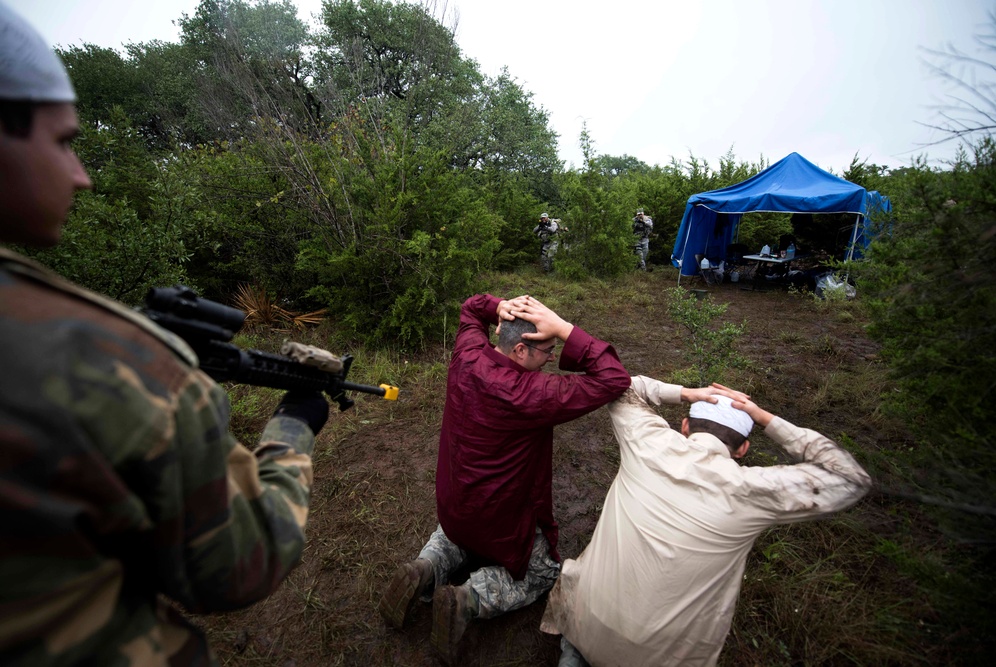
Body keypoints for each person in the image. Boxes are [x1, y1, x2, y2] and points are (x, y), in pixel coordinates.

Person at [0, 5, 330, 664]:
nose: (81, 174)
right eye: (64, 142)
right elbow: (241, 561)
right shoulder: (116, 366)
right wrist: (295, 423)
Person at [541, 376, 872, 666]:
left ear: (684, 426)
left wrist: (686, 393)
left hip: (590, 620)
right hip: (660, 657)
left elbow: (620, 384)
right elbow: (851, 479)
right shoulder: (751, 490)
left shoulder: (649, 444)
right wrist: (765, 417)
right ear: (743, 449)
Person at [378, 293, 631, 664]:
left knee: (453, 535)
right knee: (543, 573)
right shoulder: (533, 393)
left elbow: (469, 308)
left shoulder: (467, 354)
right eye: (547, 350)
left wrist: (499, 306)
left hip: (453, 507)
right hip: (500, 525)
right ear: (520, 352)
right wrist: (564, 327)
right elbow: (614, 377)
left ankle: (427, 567)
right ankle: (469, 599)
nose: (551, 360)